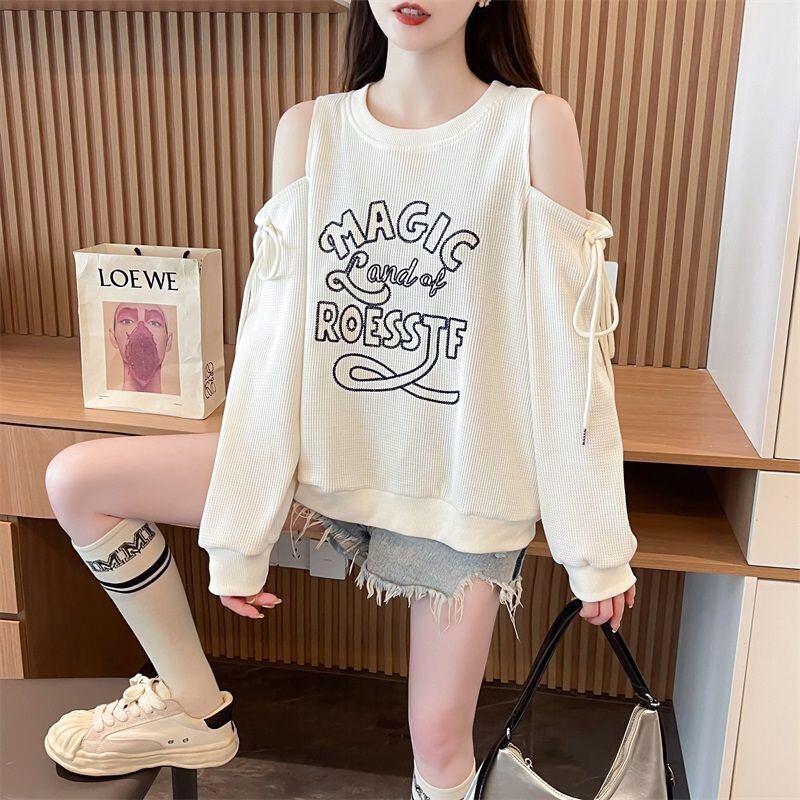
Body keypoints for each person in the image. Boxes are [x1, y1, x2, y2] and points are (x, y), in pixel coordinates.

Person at [43, 2, 638, 799]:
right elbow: (272, 341)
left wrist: (593, 545)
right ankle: (193, 706)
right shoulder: (310, 132)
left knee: (439, 741)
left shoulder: (531, 126)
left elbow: (570, 347)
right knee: (77, 482)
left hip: (460, 487)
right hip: (323, 465)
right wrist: (239, 535)